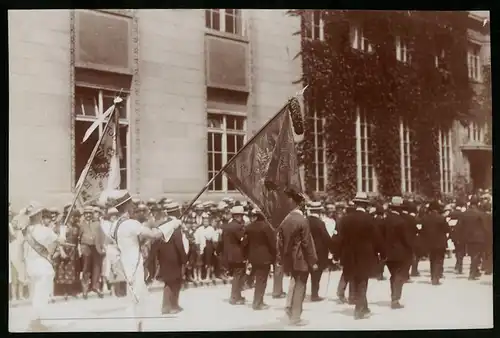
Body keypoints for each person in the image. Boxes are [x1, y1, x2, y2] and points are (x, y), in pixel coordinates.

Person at [107, 189, 169, 331]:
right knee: (138, 300)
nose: (134, 206)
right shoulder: (131, 223)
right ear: (126, 206)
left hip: (125, 264)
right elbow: (154, 235)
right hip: (134, 265)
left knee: (134, 300)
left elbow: (123, 243)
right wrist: (171, 225)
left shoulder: (114, 225)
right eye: (131, 204)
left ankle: (137, 328)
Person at [334, 192, 384, 319]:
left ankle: (363, 306)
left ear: (355, 204)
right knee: (362, 281)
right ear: (366, 205)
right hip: (365, 255)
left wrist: (336, 254)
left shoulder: (345, 219)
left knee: (354, 279)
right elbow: (377, 238)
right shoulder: (369, 219)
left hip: (349, 254)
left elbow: (339, 238)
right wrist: (381, 253)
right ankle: (359, 309)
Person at [277, 188, 318, 326]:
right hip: (302, 259)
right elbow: (307, 243)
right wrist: (313, 262)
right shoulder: (303, 221)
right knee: (300, 286)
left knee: (294, 284)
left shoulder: (285, 221)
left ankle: (289, 308)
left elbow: (280, 243)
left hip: (290, 259)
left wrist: (282, 259)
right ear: (301, 205)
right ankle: (295, 316)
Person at [23, 202, 63, 331]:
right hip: (41, 266)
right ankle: (35, 322)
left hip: (30, 265)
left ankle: (36, 321)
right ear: (39, 215)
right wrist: (63, 229)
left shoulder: (26, 230)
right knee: (41, 295)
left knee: (35, 294)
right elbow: (60, 240)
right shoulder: (44, 230)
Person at [155, 202, 188, 315]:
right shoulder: (175, 225)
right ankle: (173, 306)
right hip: (175, 258)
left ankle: (166, 306)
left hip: (164, 258)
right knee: (175, 282)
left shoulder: (162, 224)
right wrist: (184, 259)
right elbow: (179, 244)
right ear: (176, 212)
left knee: (168, 282)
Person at [382, 196, 413, 308]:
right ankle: (395, 299)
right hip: (400, 253)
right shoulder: (401, 222)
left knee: (393, 275)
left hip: (387, 253)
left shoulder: (384, 221)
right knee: (398, 276)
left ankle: (393, 296)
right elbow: (406, 239)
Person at [243, 208, 276, 310]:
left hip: (253, 257)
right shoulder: (266, 227)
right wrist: (274, 256)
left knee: (257, 279)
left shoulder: (248, 227)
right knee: (262, 280)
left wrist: (246, 255)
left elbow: (245, 243)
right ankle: (258, 302)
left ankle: (258, 300)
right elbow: (272, 243)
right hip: (264, 257)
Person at [307, 201, 333, 302]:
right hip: (319, 252)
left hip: (307, 250)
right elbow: (326, 238)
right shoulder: (320, 223)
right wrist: (333, 249)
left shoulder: (305, 221)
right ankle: (314, 294)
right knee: (316, 275)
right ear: (318, 211)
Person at [221, 205, 247, 305]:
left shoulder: (227, 226)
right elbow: (243, 241)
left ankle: (237, 296)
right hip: (238, 255)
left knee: (237, 276)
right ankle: (235, 297)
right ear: (239, 216)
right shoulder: (238, 227)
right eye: (242, 216)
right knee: (238, 276)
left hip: (228, 255)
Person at [79, 205, 106, 299]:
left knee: (96, 267)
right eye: (86, 213)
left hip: (96, 247)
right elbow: (78, 237)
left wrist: (102, 247)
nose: (88, 215)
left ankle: (96, 286)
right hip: (86, 247)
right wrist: (80, 248)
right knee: (86, 268)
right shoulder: (81, 225)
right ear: (84, 214)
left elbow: (102, 236)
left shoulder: (97, 224)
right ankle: (85, 289)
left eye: (90, 213)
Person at [419, 200, 449, 285]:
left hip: (429, 242)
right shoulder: (441, 218)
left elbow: (422, 231)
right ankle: (436, 277)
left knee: (432, 260)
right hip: (440, 242)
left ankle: (433, 276)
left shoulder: (425, 218)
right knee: (439, 260)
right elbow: (447, 229)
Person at [461, 197, 488, 280]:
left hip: (468, 238)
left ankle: (475, 271)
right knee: (476, 256)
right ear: (477, 204)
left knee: (473, 255)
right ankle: (472, 273)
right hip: (478, 238)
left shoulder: (464, 214)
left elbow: (461, 226)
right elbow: (484, 227)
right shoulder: (480, 214)